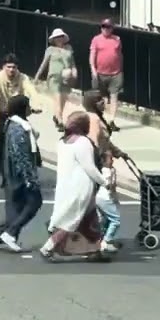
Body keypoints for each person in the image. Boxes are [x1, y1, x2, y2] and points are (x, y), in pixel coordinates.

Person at [40, 111, 107, 262]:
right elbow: (89, 167)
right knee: (71, 221)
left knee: (90, 219)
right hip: (81, 187)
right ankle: (48, 247)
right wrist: (104, 182)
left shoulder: (62, 141)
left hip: (66, 186)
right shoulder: (83, 142)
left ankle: (95, 250)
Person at [0, 94, 43, 252]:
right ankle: (10, 233)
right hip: (18, 174)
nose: (30, 109)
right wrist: (29, 178)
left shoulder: (14, 124)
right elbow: (21, 155)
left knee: (15, 205)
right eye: (28, 106)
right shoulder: (18, 128)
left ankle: (0, 233)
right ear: (22, 108)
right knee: (34, 201)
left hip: (12, 173)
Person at [82, 90, 124, 252]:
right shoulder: (93, 119)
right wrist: (102, 161)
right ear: (92, 103)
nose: (103, 102)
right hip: (99, 166)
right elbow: (94, 143)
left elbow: (105, 140)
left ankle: (100, 239)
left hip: (103, 162)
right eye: (99, 100)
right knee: (99, 205)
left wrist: (117, 151)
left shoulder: (98, 117)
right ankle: (98, 241)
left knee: (100, 207)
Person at [35, 28, 76, 127]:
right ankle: (60, 121)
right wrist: (37, 76)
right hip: (54, 77)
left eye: (60, 37)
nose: (59, 39)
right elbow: (44, 63)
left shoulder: (68, 48)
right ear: (54, 39)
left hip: (66, 77)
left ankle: (57, 116)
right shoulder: (50, 50)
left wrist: (75, 73)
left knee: (63, 100)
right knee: (57, 99)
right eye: (57, 37)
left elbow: (72, 63)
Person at [89, 19, 124, 117]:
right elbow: (92, 55)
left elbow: (120, 54)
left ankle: (112, 119)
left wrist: (121, 70)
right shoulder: (96, 39)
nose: (105, 29)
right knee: (101, 96)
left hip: (115, 73)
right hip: (100, 73)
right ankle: (101, 116)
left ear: (112, 28)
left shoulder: (117, 39)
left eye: (108, 27)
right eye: (103, 26)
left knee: (114, 95)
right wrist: (93, 69)